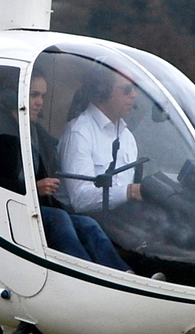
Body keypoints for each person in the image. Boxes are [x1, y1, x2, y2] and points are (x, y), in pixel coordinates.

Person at [29, 72, 129, 271]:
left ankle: (125, 273)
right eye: (33, 95)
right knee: (60, 218)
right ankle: (86, 275)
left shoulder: (38, 134)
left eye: (42, 97)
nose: (39, 102)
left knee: (88, 225)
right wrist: (33, 188)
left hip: (38, 207)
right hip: (16, 205)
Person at [59, 66, 143, 214]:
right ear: (103, 91)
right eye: (127, 89)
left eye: (134, 88)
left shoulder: (127, 136)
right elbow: (80, 199)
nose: (134, 95)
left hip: (124, 219)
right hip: (92, 222)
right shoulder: (79, 133)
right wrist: (130, 192)